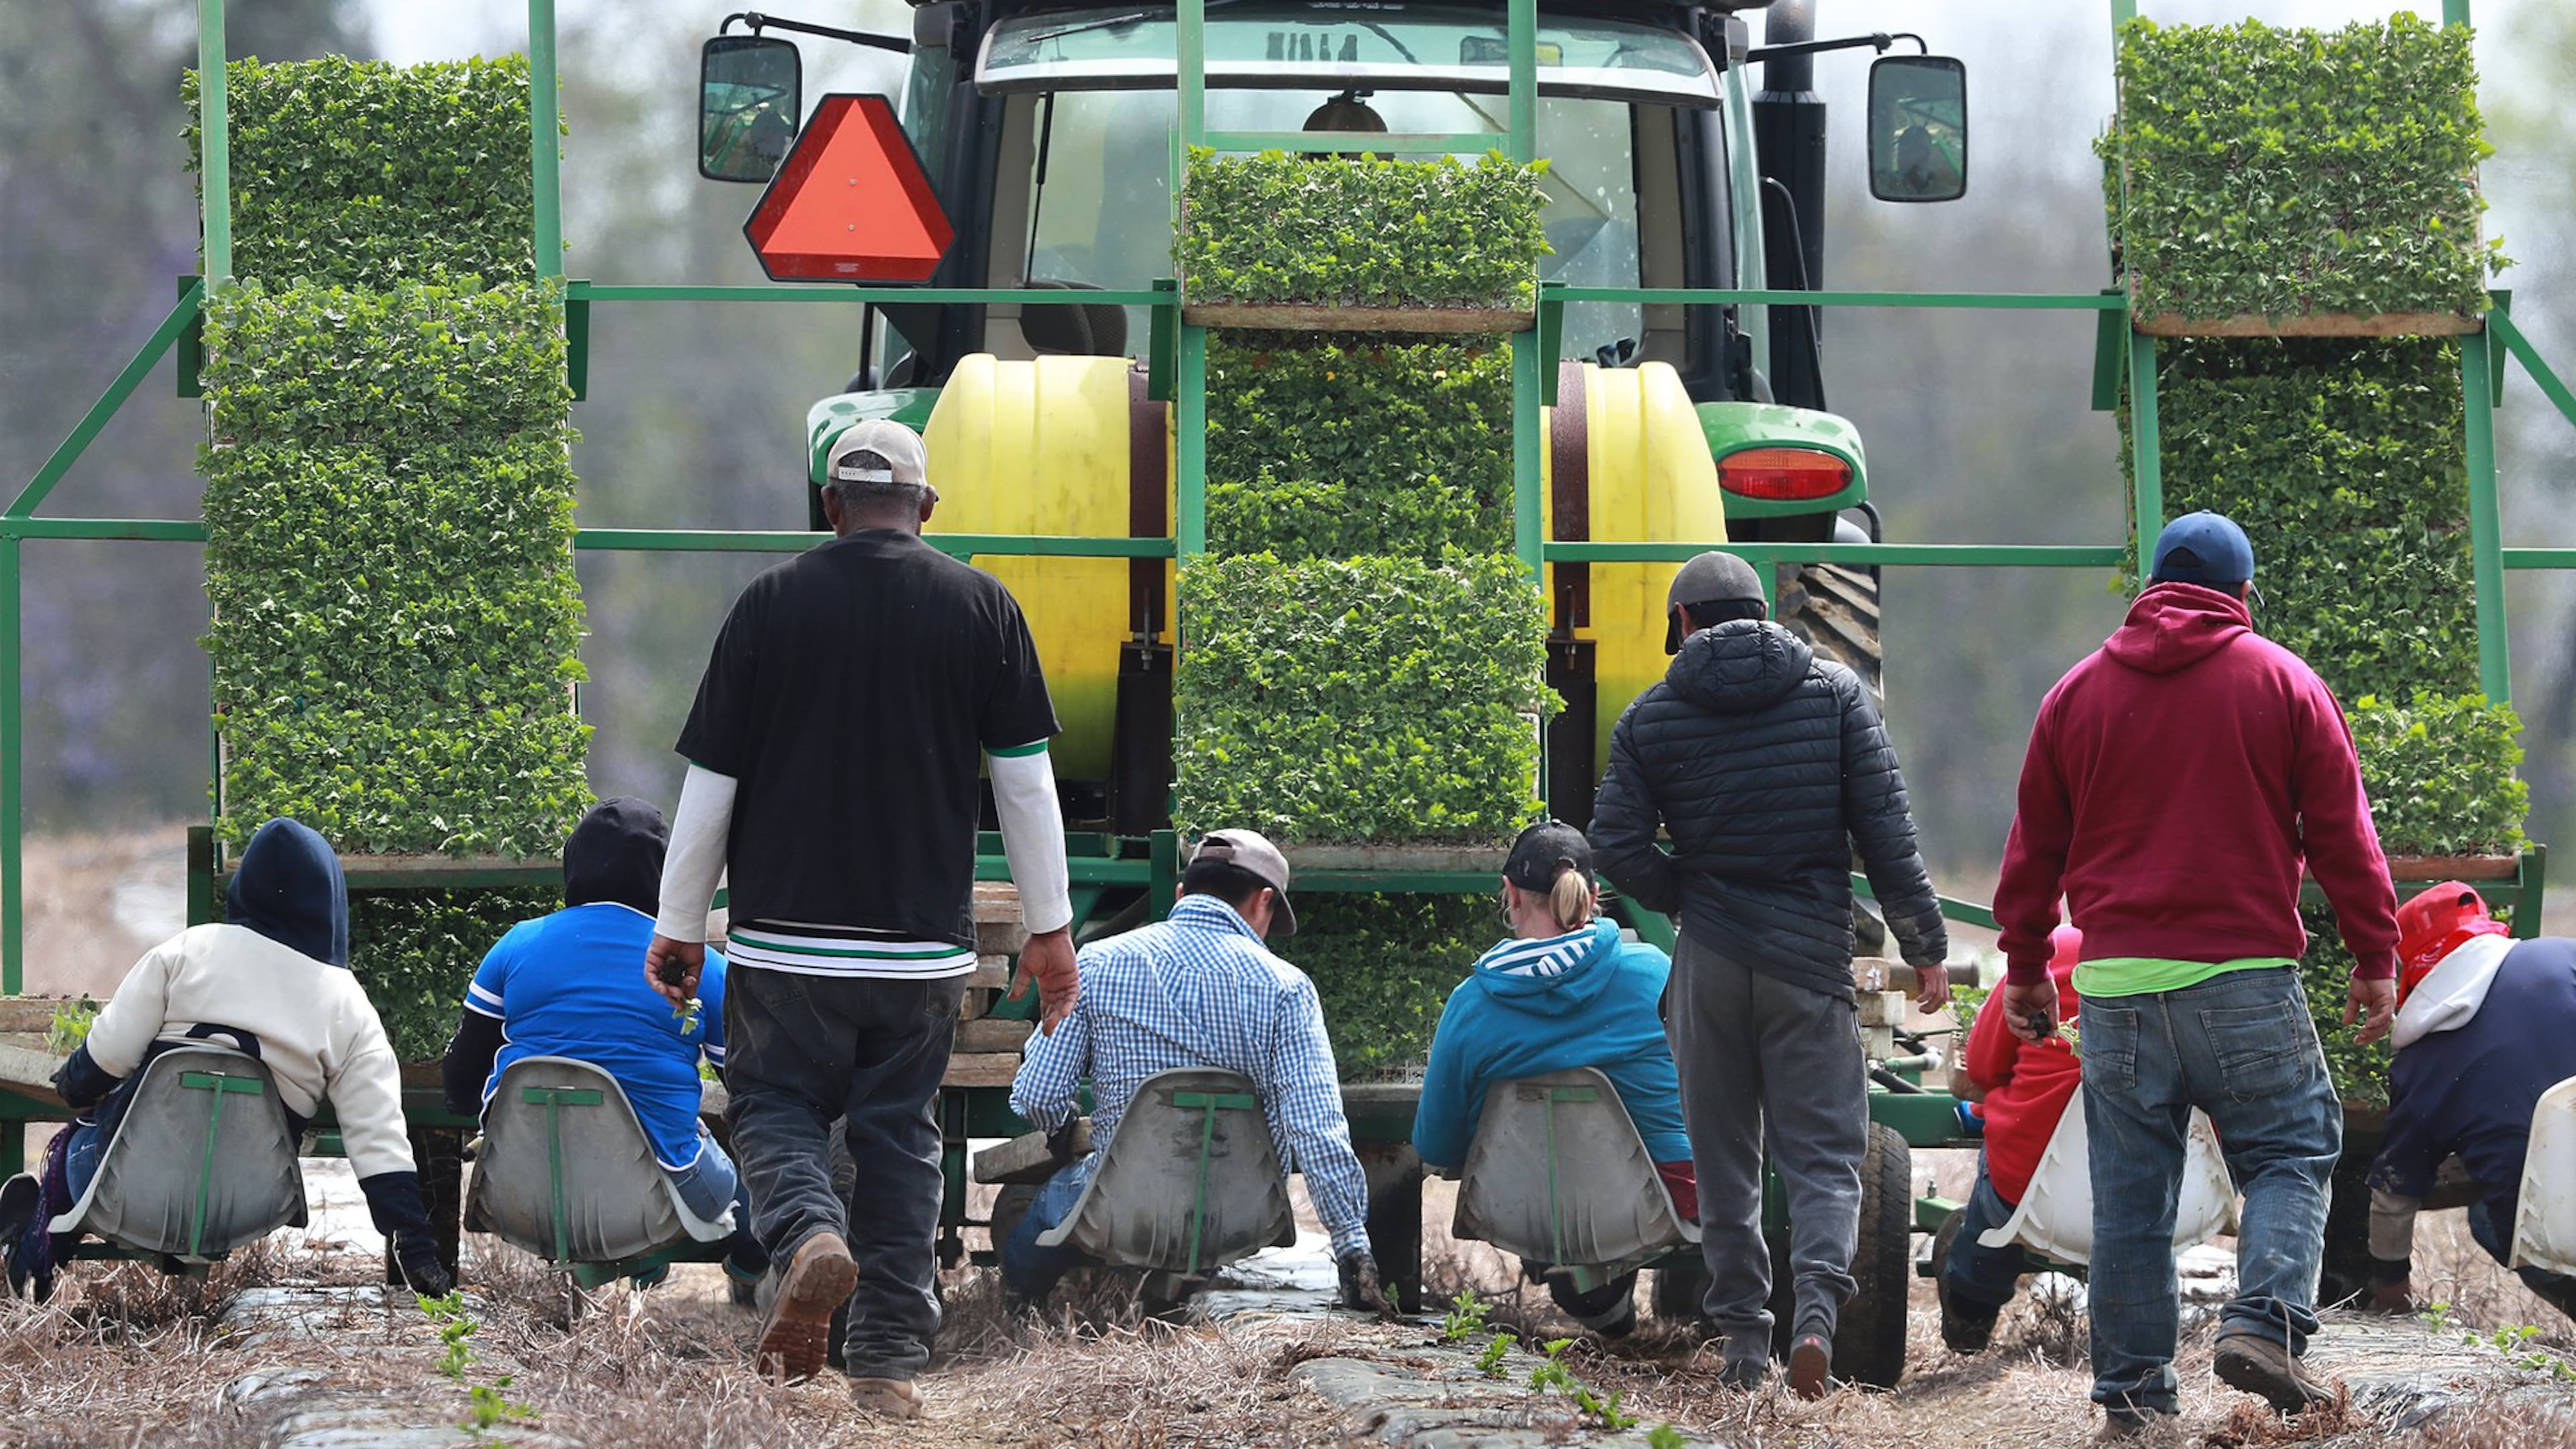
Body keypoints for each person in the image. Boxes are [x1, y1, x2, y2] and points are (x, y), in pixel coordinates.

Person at [643, 419, 1079, 1418]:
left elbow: (713, 784)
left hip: (782, 944)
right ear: (927, 508)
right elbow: (1025, 788)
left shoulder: (768, 607)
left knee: (773, 1109)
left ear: (830, 506)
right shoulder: (984, 608)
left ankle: (806, 1238)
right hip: (921, 950)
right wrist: (1050, 933)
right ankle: (885, 1358)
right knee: (899, 1139)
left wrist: (674, 924)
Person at [1990, 511, 2400, 1436]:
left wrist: (2024, 965)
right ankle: (2264, 1323)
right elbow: (2344, 835)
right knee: (2293, 1149)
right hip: (2244, 979)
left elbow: (2033, 851)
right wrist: (2376, 954)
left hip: (2118, 991)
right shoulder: (2284, 681)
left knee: (2131, 1202)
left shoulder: (2075, 696)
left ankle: (2133, 1403)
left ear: (2150, 591)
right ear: (2243, 594)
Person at [1588, 549, 1951, 1399]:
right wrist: (1924, 944)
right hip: (1807, 961)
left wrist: (1684, 893)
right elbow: (1888, 837)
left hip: (1710, 962)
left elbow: (1616, 846)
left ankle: (1746, 1346)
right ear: (1768, 611)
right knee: (1826, 1160)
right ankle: (1816, 1320)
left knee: (1725, 1162)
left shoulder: (1652, 715)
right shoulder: (1836, 699)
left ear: (1682, 624)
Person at [0, 818, 451, 1301]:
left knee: (78, 1146)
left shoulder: (187, 950)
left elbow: (104, 1058)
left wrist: (75, 1087)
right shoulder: (348, 1004)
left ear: (246, 889)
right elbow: (377, 1134)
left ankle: (36, 1255)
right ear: (331, 901)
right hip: (250, 1205)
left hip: (129, 1188)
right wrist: (416, 1244)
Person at [1003, 830, 1392, 1318]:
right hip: (1237, 1216)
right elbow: (1318, 1131)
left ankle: (1020, 1304)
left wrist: (1062, 1129)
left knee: (1044, 1203)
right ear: (1264, 902)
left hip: (1120, 1207)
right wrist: (1353, 1245)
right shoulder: (1288, 989)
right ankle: (1169, 1299)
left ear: (1183, 894)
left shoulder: (1098, 964)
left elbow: (1039, 1094)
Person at [438, 797, 766, 1285]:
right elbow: (749, 1093)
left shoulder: (516, 945)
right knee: (739, 1191)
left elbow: (460, 1089)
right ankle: (748, 1257)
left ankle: (644, 1259)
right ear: (666, 874)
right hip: (651, 1200)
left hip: (522, 1192)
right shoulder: (702, 969)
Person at [1411, 820, 1697, 1339]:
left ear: (1510, 895)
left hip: (1532, 1213)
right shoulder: (1653, 971)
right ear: (1592, 897)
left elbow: (1435, 1143)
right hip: (1664, 1203)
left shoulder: (1470, 1005)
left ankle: (1598, 1308)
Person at [2363, 883, 2576, 1325]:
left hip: (2558, 1226)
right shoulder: (2560, 958)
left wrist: (2390, 1287)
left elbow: (2394, 1190)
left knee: (2488, 1219)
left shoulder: (2419, 1064)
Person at [1933, 924, 2084, 1353]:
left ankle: (1972, 1305)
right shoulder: (2203, 959)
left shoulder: (2058, 951)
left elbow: (1981, 1068)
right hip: (2157, 1193)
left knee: (2010, 1173)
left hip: (2031, 1192)